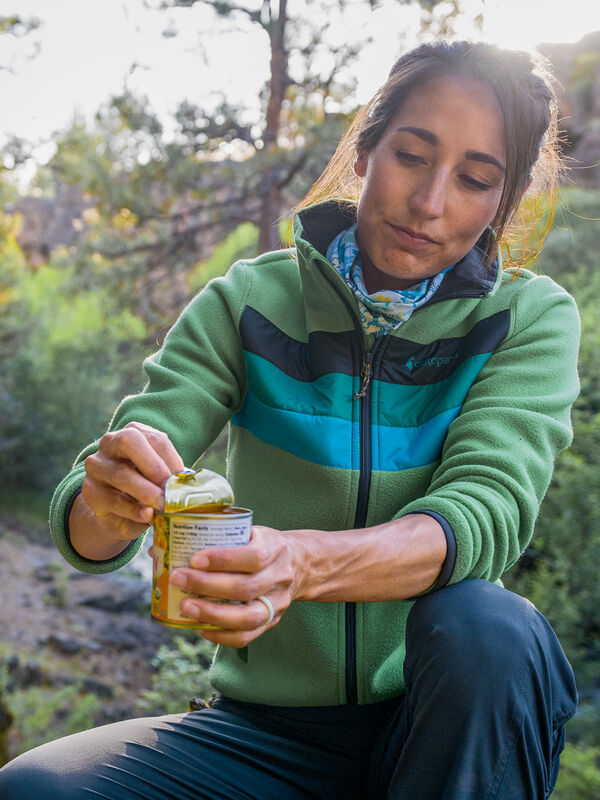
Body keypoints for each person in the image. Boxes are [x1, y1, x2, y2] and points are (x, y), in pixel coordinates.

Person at [0, 39, 580, 799]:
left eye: (475, 180)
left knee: (489, 626)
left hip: (449, 722)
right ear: (366, 150)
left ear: (500, 204)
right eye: (412, 155)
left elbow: (484, 513)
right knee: (38, 788)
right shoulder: (246, 304)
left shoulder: (527, 319)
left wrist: (300, 563)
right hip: (267, 738)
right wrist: (106, 500)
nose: (431, 202)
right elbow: (86, 527)